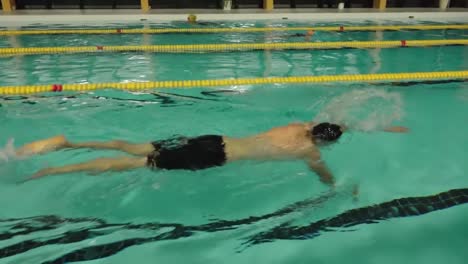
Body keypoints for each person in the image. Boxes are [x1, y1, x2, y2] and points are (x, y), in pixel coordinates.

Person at [16, 122, 408, 185]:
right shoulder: (308, 152)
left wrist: (358, 126)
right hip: (214, 158)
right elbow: (324, 174)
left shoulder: (299, 128)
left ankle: (71, 142)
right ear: (326, 141)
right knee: (133, 164)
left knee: (138, 148)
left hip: (212, 140)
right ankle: (55, 169)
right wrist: (339, 186)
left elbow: (335, 121)